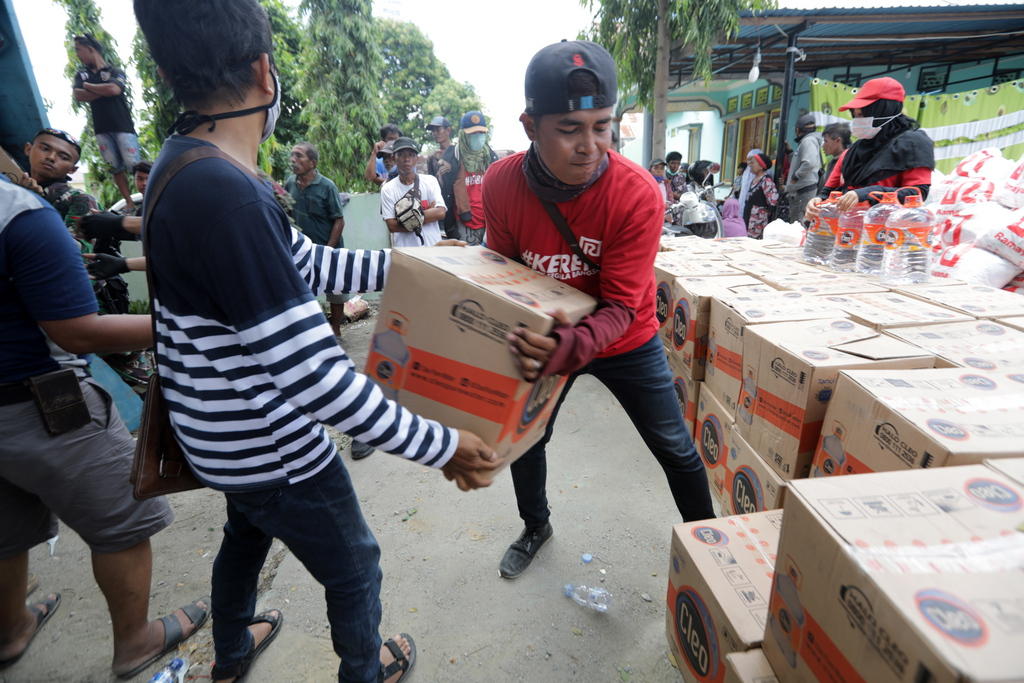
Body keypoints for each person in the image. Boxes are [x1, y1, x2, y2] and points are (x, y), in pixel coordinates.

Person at [133, 3, 500, 682]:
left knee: (244, 537)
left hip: (223, 442)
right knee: (355, 563)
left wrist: (420, 265)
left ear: (164, 72)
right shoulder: (230, 196)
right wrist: (443, 445)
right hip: (274, 447)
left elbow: (313, 263)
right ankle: (363, 671)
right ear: (264, 72)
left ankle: (232, 656)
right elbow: (319, 381)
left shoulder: (185, 167)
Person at [482, 39, 715, 580]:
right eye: (569, 129)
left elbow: (619, 306)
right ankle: (535, 525)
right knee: (526, 437)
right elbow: (502, 275)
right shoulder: (501, 184)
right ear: (530, 125)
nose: (590, 146)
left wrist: (572, 346)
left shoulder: (637, 194)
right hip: (546, 333)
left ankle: (711, 543)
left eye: (603, 127)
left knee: (676, 448)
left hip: (623, 338)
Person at [0, 176, 210, 680]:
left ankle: (11, 629)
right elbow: (77, 331)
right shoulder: (20, 215)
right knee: (122, 519)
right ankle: (135, 641)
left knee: (6, 530)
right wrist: (189, 328)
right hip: (42, 399)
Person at [807, 77, 933, 219]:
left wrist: (867, 193)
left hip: (889, 231)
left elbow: (917, 193)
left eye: (862, 114)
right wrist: (817, 202)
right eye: (855, 115)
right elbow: (828, 192)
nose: (857, 120)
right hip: (848, 229)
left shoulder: (913, 144)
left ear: (883, 111)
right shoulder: (853, 152)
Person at [284, 142, 347, 336]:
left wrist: (328, 249)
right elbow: (286, 212)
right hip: (301, 249)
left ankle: (335, 330)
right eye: (292, 155)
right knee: (301, 289)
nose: (293, 160)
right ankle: (310, 331)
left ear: (312, 162)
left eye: (299, 156)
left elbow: (339, 220)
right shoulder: (289, 183)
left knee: (335, 289)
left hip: (329, 247)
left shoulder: (327, 186)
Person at [72, 34, 140, 213]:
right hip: (101, 129)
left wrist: (89, 87)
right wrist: (104, 90)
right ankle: (129, 202)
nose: (77, 54)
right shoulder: (81, 73)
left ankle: (149, 197)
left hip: (123, 126)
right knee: (114, 168)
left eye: (78, 50)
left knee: (136, 166)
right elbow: (78, 95)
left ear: (90, 49)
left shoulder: (115, 71)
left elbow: (114, 88)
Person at [435, 111, 497, 245]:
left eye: (481, 133)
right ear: (463, 134)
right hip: (464, 221)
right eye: (473, 134)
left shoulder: (490, 156)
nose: (478, 137)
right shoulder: (453, 156)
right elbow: (445, 192)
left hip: (489, 221)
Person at [381, 137, 446, 248]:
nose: (407, 159)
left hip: (433, 248)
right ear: (394, 158)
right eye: (401, 154)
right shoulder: (388, 189)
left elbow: (440, 212)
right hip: (406, 252)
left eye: (411, 154)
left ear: (417, 158)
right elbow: (392, 226)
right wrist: (427, 212)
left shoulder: (430, 181)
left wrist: (405, 218)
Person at [785, 113, 822, 225]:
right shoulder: (810, 140)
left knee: (799, 226)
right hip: (803, 191)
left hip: (803, 192)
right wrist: (790, 152)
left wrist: (796, 176)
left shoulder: (808, 141)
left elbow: (809, 163)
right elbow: (801, 162)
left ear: (798, 129)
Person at [743, 152, 778, 239]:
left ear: (761, 166)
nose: (750, 165)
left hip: (757, 221)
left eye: (753, 162)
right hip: (749, 217)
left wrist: (762, 214)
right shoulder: (754, 180)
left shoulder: (766, 181)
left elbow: (773, 201)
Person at [819, 122, 850, 194]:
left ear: (838, 141)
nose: (823, 145)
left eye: (826, 141)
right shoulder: (832, 162)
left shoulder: (848, 162)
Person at [737, 148, 761, 216]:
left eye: (752, 159)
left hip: (755, 207)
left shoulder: (763, 171)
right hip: (743, 202)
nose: (749, 162)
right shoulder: (747, 171)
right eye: (748, 159)